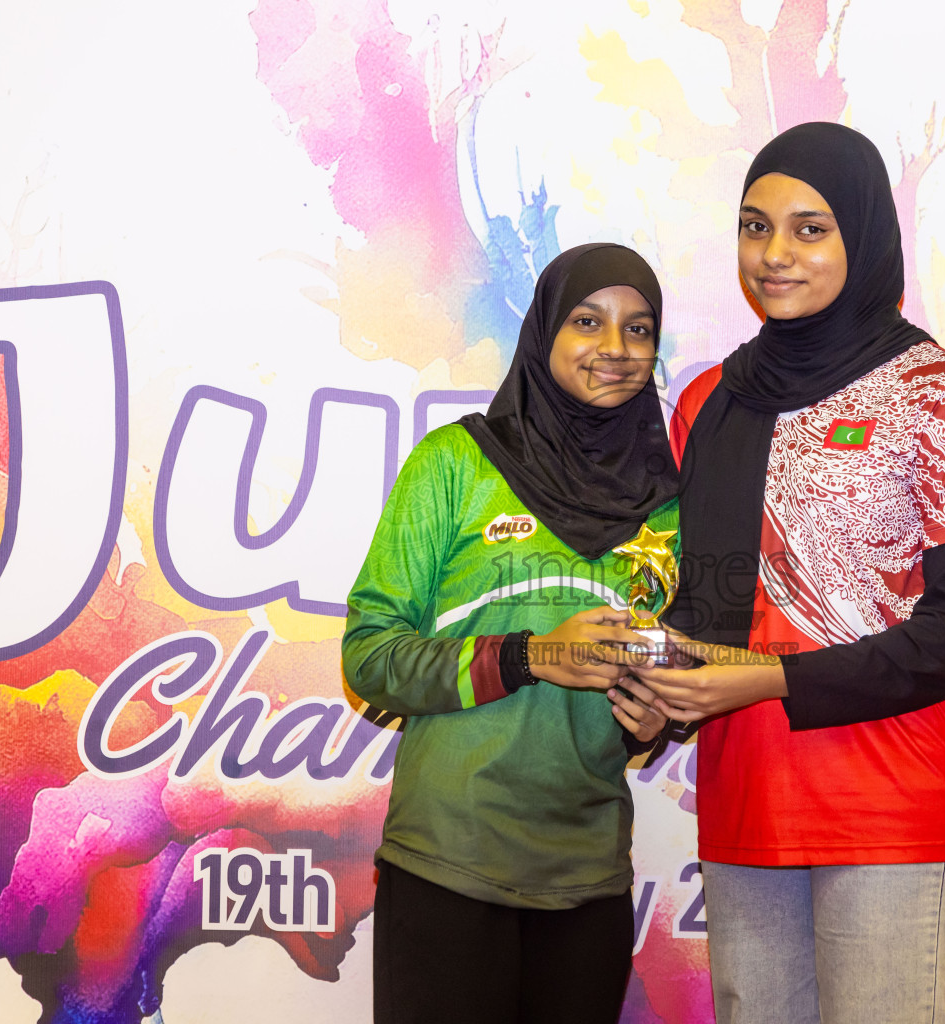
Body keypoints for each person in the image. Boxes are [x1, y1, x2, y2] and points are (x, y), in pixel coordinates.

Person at [634, 122, 945, 1024]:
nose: (774, 255)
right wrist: (647, 690)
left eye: (810, 229)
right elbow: (708, 614)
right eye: (755, 226)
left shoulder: (937, 394)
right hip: (745, 811)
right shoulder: (707, 401)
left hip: (896, 814)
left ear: (864, 234)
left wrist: (768, 679)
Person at [342, 242, 679, 1024]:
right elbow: (369, 656)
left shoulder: (666, 509)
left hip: (588, 877)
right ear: (545, 333)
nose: (615, 350)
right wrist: (530, 656)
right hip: (449, 865)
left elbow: (655, 678)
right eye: (589, 322)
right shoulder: (455, 464)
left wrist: (659, 718)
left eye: (639, 330)